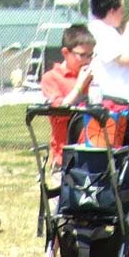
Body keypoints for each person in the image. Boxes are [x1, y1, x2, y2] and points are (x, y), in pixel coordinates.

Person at [41, 24, 95, 168]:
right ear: (66, 53)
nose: (87, 61)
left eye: (90, 55)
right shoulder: (51, 78)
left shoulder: (94, 76)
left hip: (94, 152)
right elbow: (60, 111)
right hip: (65, 158)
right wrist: (80, 85)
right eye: (82, 55)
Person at [88, 0, 129, 104]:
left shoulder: (102, 29)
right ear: (111, 11)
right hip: (114, 99)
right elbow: (127, 59)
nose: (123, 16)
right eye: (121, 12)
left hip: (114, 97)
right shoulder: (103, 31)